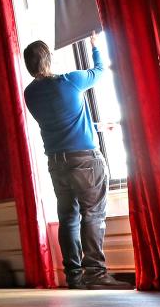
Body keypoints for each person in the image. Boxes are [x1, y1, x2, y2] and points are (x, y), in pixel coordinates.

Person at [23, 33, 131, 290]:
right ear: (48, 59)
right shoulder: (70, 81)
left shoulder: (30, 94)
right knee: (92, 214)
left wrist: (94, 126)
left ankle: (74, 276)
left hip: (56, 163)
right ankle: (95, 274)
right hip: (84, 160)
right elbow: (100, 70)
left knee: (68, 218)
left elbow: (59, 122)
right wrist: (94, 48)